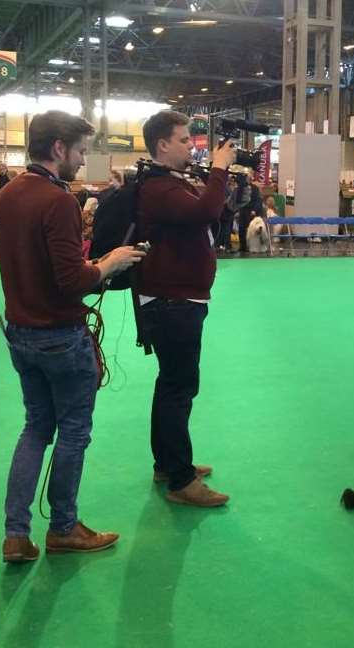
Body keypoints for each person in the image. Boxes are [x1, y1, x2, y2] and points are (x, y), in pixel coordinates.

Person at [0, 110, 146, 563]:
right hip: (60, 335)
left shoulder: (8, 195)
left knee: (36, 428)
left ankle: (16, 534)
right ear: (59, 148)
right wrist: (110, 262)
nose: (83, 161)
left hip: (20, 332)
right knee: (74, 432)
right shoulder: (58, 201)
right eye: (80, 150)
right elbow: (71, 280)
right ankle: (63, 527)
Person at [134, 110, 236, 507]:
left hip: (175, 298)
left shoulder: (168, 184)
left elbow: (209, 215)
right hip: (173, 301)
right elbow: (204, 212)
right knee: (179, 387)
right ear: (162, 145)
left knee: (170, 384)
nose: (190, 144)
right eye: (183, 139)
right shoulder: (159, 187)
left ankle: (168, 463)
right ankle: (181, 479)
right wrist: (219, 170)